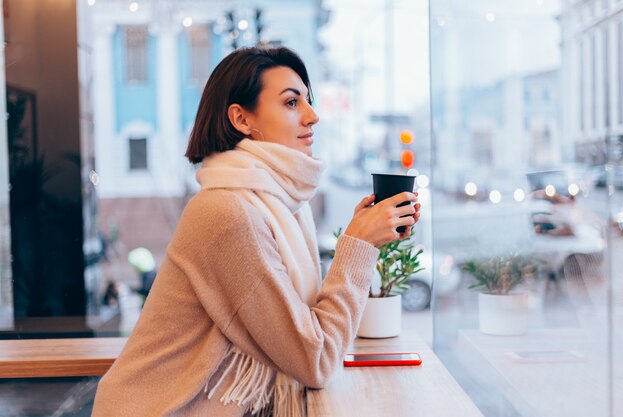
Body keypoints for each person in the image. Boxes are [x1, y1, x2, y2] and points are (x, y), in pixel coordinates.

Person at [91, 46, 420, 417]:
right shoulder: (228, 212)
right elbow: (315, 359)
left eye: (308, 101)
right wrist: (359, 244)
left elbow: (305, 338)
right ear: (242, 119)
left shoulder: (283, 205)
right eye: (292, 103)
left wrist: (366, 238)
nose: (312, 116)